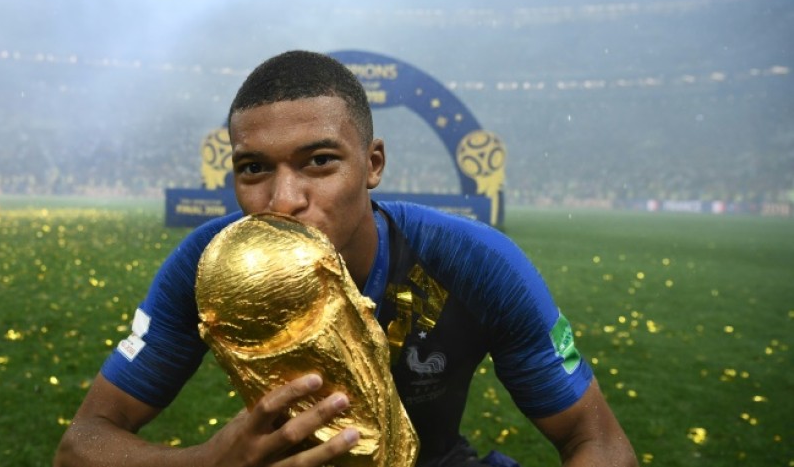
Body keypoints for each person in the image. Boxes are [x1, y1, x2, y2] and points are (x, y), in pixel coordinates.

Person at [54, 50, 637, 467]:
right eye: (254, 168)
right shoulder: (206, 267)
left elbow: (599, 441)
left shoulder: (474, 262)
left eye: (319, 162)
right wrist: (208, 461)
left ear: (373, 164)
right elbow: (82, 444)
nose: (284, 201)